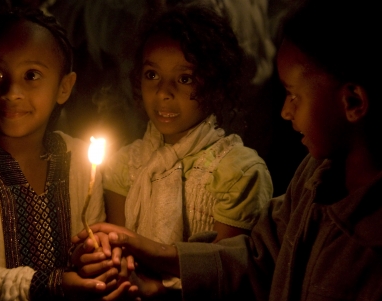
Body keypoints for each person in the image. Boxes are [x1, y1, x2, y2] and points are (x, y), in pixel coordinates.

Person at [75, 0, 382, 299]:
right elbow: (257, 257)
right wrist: (150, 251)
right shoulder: (312, 178)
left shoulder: (368, 243)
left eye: (294, 95)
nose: (285, 112)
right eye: (151, 75)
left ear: (353, 102)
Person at [0, 8, 134, 301]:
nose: (11, 91)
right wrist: (49, 284)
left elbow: (84, 241)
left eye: (32, 75)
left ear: (64, 87)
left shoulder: (78, 159)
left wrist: (90, 257)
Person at [102, 5, 273, 247]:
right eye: (152, 75)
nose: (163, 92)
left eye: (185, 79)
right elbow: (118, 249)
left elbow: (224, 270)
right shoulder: (124, 166)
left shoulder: (237, 173)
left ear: (215, 85)